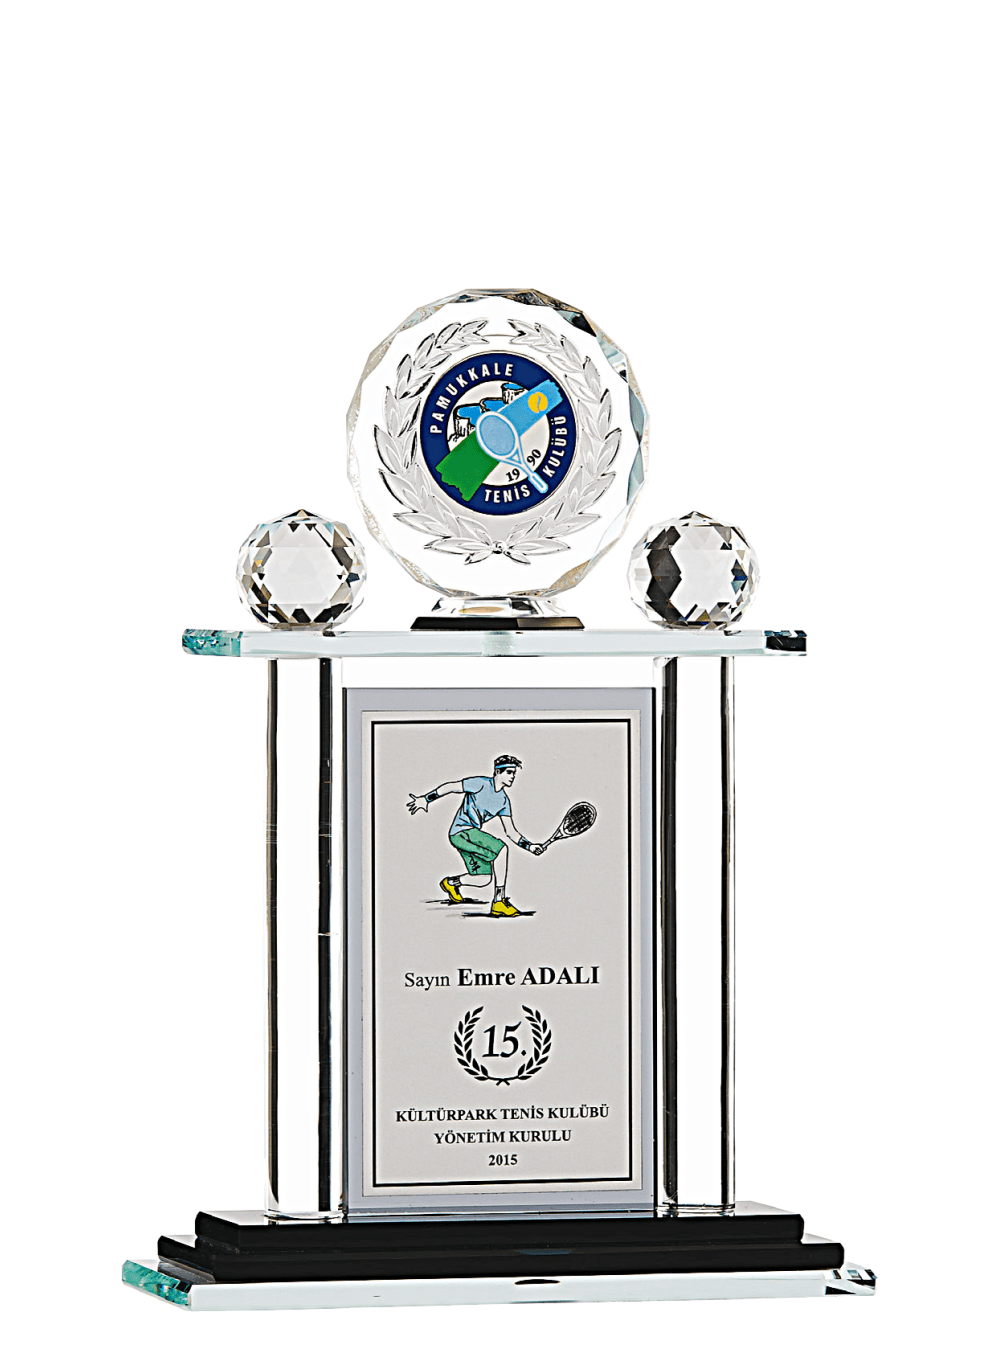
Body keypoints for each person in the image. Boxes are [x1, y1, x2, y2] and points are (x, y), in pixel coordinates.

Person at [406, 755, 543, 916]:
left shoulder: (504, 801)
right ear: (497, 772)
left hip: (468, 837)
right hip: (461, 832)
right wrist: (426, 799)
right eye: (509, 772)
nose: (512, 776)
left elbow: (511, 831)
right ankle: (499, 902)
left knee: (483, 878)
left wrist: (530, 846)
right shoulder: (480, 783)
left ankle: (451, 883)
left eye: (514, 773)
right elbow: (451, 787)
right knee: (501, 849)